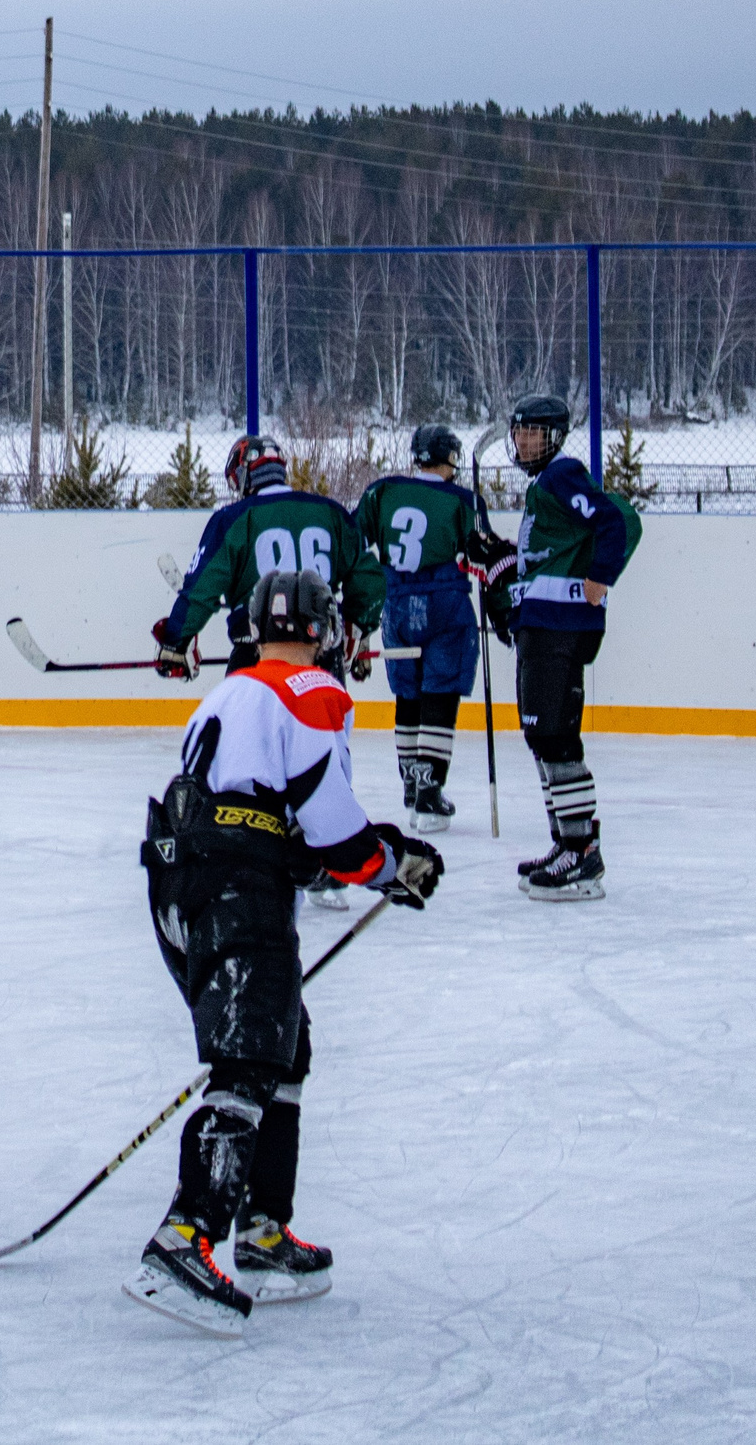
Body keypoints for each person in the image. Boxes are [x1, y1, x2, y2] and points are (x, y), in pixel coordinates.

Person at [126, 568, 442, 1338]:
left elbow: (266, 815)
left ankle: (263, 1231)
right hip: (236, 887)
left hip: (182, 876)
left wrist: (371, 853)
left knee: (284, 1047)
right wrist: (385, 868)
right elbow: (326, 823)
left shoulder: (229, 693)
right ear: (325, 631)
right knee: (249, 1061)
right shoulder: (314, 693)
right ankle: (183, 1237)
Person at [467, 394, 632, 901]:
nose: (523, 442)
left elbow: (615, 522)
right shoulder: (545, 487)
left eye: (533, 433)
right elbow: (542, 559)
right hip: (543, 624)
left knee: (554, 737)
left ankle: (581, 852)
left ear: (555, 436)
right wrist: (500, 556)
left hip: (560, 627)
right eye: (519, 433)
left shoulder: (562, 475)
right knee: (545, 738)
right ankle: (567, 843)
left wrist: (600, 578)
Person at [154, 434, 385, 684]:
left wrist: (176, 641)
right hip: (322, 651)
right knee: (322, 722)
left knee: (246, 723)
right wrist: (357, 629)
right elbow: (369, 581)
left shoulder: (232, 519)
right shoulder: (332, 513)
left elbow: (201, 590)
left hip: (257, 651)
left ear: (242, 475)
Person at [352, 424, 483, 831]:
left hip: (395, 605)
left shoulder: (382, 491)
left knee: (408, 694)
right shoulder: (464, 500)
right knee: (440, 693)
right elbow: (483, 555)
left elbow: (355, 543)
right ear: (447, 459)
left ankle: (410, 785)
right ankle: (429, 794)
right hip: (444, 603)